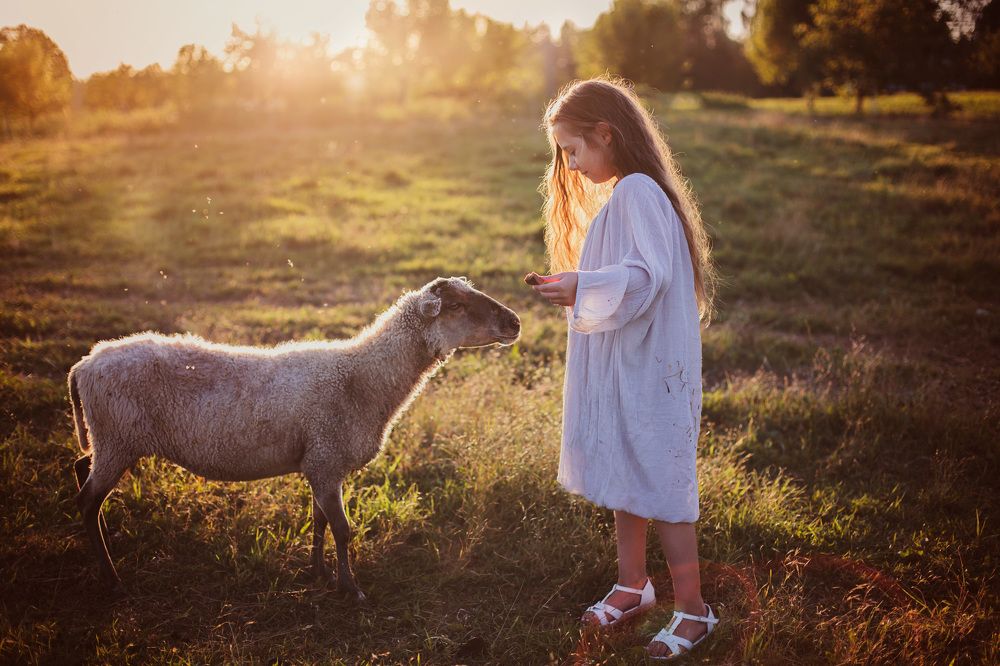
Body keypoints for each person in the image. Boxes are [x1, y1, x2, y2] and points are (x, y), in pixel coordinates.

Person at [528, 77, 719, 661]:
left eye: (574, 150)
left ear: (605, 134)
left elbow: (646, 278)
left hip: (652, 367)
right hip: (632, 362)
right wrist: (577, 286)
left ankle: (694, 610)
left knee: (662, 482)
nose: (572, 164)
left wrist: (581, 285)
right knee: (625, 465)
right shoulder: (632, 191)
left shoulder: (637, 191)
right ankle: (634, 585)